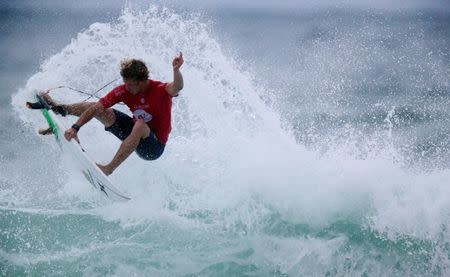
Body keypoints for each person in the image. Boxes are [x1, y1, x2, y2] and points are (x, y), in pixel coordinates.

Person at [42, 52, 184, 176]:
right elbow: (97, 107)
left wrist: (176, 70)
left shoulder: (160, 90)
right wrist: (75, 127)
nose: (126, 87)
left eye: (129, 84)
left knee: (140, 125)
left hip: (153, 148)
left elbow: (177, 86)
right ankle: (60, 109)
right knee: (98, 108)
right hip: (133, 134)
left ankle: (108, 169)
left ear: (141, 82)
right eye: (125, 83)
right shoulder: (124, 90)